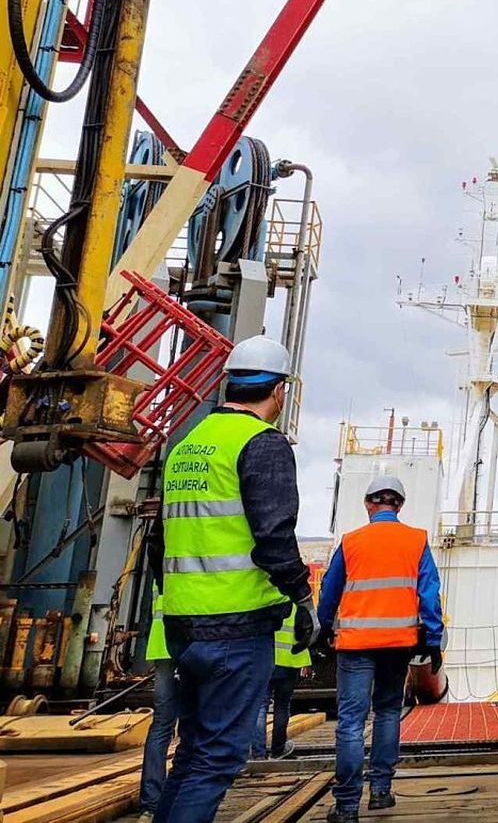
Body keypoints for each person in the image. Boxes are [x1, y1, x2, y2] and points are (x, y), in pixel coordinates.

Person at [151, 335, 320, 823]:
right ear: (281, 391)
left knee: (193, 752)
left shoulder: (187, 446)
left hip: (183, 624)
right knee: (219, 757)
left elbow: (159, 540)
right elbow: (273, 537)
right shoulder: (261, 445)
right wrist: (301, 597)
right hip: (237, 626)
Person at [317, 474, 444, 821]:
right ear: (399, 505)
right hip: (397, 645)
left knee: (351, 723)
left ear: (368, 504)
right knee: (388, 712)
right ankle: (381, 792)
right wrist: (433, 640)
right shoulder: (416, 541)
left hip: (356, 644)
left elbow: (330, 589)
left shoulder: (351, 541)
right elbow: (429, 592)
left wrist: (322, 627)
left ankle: (345, 807)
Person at [137, 591, 180, 821]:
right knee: (194, 724)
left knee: (162, 724)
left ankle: (151, 803)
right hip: (194, 642)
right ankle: (181, 796)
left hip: (162, 645)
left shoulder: (165, 558)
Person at [251, 612, 309, 760]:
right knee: (282, 705)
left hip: (264, 658)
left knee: (260, 705)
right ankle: (278, 749)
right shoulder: (295, 601)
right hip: (289, 660)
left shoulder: (264, 599)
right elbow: (306, 630)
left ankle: (258, 753)